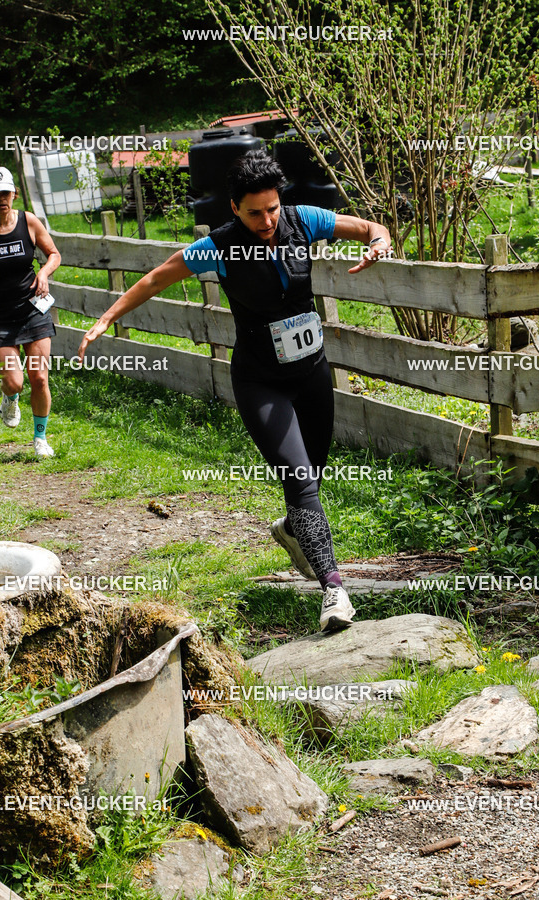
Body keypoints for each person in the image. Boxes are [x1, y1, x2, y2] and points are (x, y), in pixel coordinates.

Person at [79, 151, 392, 631]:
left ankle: (291, 530)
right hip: (260, 381)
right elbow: (156, 277)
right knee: (299, 478)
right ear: (233, 208)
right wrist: (105, 318)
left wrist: (379, 242)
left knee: (314, 474)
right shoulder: (220, 247)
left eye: (272, 209)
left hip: (311, 374)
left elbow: (369, 226)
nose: (267, 221)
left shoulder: (302, 219)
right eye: (254, 213)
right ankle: (334, 589)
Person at [0, 167, 61, 458]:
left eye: (6, 193)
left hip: (33, 308)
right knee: (14, 380)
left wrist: (43, 273)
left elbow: (54, 254)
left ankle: (40, 439)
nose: (1, 199)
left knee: (40, 378)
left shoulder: (29, 222)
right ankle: (9, 397)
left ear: (14, 194)